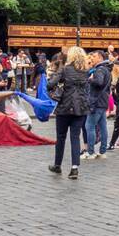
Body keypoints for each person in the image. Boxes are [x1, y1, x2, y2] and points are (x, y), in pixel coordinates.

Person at [50, 46, 90, 178]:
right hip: (81, 107)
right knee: (75, 137)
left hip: (65, 106)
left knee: (61, 137)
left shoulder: (65, 70)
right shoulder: (85, 71)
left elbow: (50, 84)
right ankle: (74, 168)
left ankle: (57, 165)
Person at [83, 50, 112, 158]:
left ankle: (90, 152)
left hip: (96, 101)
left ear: (100, 58)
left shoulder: (99, 70)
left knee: (89, 126)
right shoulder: (107, 69)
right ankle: (102, 151)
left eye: (94, 56)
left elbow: (98, 82)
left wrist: (90, 79)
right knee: (103, 126)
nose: (92, 58)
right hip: (103, 101)